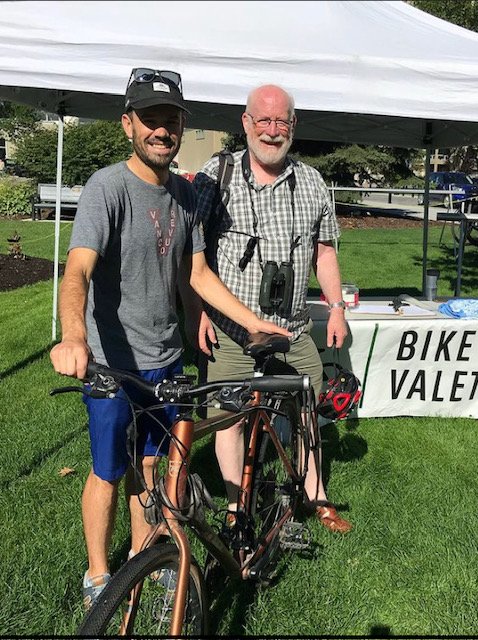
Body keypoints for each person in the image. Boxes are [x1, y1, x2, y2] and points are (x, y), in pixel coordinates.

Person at [49, 69, 289, 610]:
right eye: (150, 120)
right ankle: (96, 576)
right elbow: (77, 272)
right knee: (109, 470)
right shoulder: (106, 188)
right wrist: (73, 337)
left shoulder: (184, 194)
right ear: (127, 124)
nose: (162, 130)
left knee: (152, 468)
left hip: (165, 359)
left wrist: (251, 322)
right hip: (112, 361)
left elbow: (198, 275)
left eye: (171, 120)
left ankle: (140, 562)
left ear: (182, 126)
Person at [193, 84, 352, 534]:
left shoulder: (312, 182)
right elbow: (193, 255)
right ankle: (234, 505)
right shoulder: (216, 175)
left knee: (306, 413)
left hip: (292, 329)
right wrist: (201, 309)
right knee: (228, 418)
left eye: (282, 121)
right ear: (246, 123)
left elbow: (325, 253)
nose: (272, 130)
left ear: (293, 127)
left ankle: (316, 497)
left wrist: (336, 308)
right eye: (263, 120)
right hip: (232, 329)